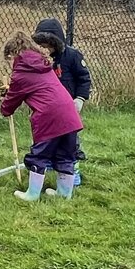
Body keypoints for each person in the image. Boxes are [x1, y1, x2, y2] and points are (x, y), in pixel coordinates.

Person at [1, 33, 84, 201]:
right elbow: (35, 86)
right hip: (69, 114)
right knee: (65, 154)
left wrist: (4, 106)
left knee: (40, 155)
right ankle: (64, 194)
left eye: (9, 59)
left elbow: (11, 101)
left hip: (49, 116)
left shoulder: (21, 71)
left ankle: (32, 194)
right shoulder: (42, 64)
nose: (10, 64)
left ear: (14, 54)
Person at [33, 16, 92, 179]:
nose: (46, 48)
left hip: (68, 108)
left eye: (48, 44)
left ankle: (73, 173)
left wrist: (80, 98)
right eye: (42, 45)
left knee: (70, 142)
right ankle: (52, 163)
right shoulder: (42, 60)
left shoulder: (72, 56)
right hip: (49, 109)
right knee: (48, 137)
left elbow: (84, 78)